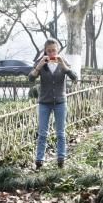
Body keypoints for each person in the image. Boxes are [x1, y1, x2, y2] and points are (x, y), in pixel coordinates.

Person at [28, 38, 78, 169]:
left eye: (54, 50)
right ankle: (39, 161)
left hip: (60, 102)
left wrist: (64, 66)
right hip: (44, 102)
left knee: (60, 132)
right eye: (49, 51)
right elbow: (31, 78)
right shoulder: (41, 63)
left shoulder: (63, 62)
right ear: (45, 51)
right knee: (42, 133)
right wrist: (39, 66)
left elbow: (75, 78)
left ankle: (61, 160)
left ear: (58, 50)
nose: (51, 53)